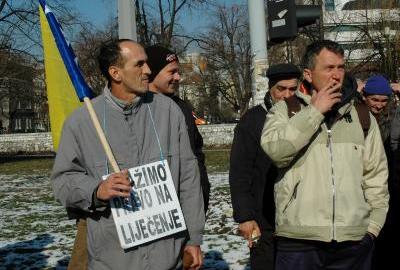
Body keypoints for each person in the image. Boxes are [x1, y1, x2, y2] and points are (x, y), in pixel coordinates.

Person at [51, 39, 204, 270]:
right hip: (111, 259)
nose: (148, 70)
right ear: (116, 73)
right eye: (139, 64)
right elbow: (62, 181)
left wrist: (194, 238)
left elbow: (189, 179)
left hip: (167, 257)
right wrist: (97, 190)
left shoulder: (169, 111)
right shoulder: (82, 121)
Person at [261, 40, 389, 270]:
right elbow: (276, 152)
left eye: (340, 67)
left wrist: (372, 229)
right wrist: (314, 112)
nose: (337, 75)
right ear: (309, 74)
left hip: (353, 242)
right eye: (329, 68)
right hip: (299, 240)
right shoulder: (285, 110)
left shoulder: (361, 114)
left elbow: (376, 176)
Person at [229, 63, 301, 270]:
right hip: (264, 219)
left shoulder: (307, 116)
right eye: (281, 89)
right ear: (270, 88)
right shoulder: (252, 121)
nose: (287, 95)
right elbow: (240, 173)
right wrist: (245, 216)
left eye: (292, 89)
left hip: (300, 219)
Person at [145, 45, 211, 213]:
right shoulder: (139, 109)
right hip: (153, 210)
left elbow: (196, 154)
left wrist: (202, 194)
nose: (178, 77)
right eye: (171, 72)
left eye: (178, 72)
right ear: (152, 73)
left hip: (187, 207)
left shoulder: (182, 108)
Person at [361, 75, 400, 270]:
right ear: (365, 97)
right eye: (374, 100)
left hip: (390, 187)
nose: (379, 105)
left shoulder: (393, 117)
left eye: (384, 100)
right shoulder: (358, 119)